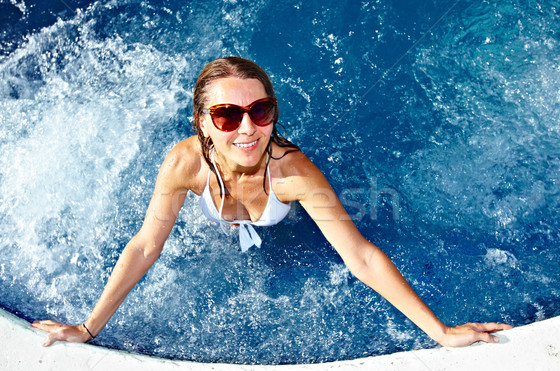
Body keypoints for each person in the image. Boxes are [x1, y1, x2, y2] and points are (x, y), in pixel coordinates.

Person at [32, 56, 511, 348]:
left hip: (279, 216)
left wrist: (440, 332)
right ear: (202, 122)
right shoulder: (185, 164)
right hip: (216, 214)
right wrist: (89, 327)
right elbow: (145, 246)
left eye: (259, 111)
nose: (247, 128)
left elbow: (359, 256)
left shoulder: (292, 172)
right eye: (226, 115)